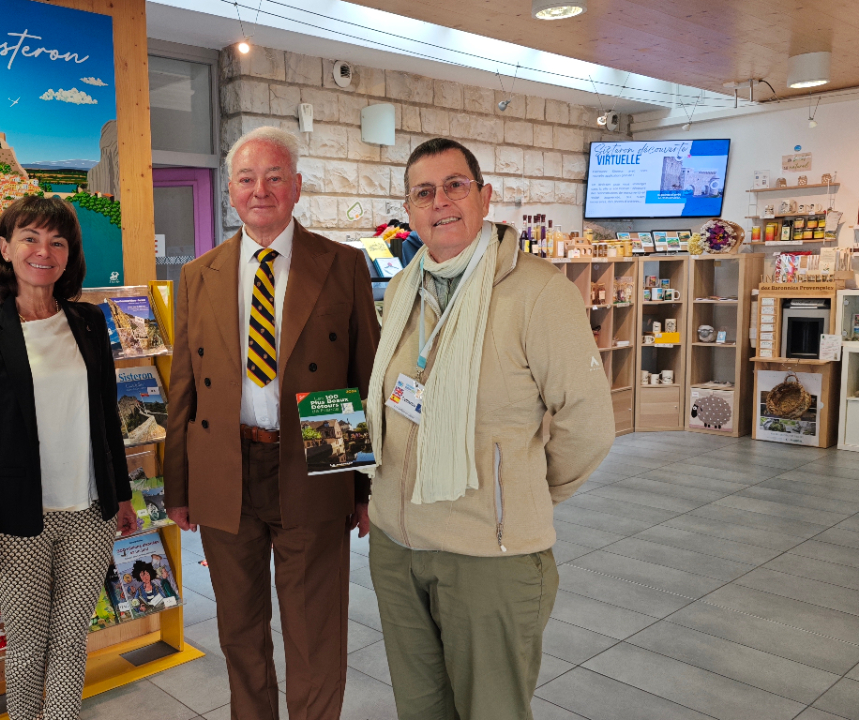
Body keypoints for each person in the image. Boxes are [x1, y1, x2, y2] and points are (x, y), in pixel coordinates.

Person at [364, 138, 614, 720]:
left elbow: (588, 422)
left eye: (455, 185)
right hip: (397, 547)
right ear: (409, 210)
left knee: (491, 710)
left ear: (484, 196)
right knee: (420, 710)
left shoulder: (538, 292)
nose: (440, 201)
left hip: (487, 556)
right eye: (424, 192)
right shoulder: (403, 289)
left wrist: (520, 491)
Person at [164, 125, 382, 720]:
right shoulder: (199, 274)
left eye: (274, 177)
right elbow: (184, 388)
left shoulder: (342, 264)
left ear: (297, 187)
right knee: (239, 630)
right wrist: (178, 487)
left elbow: (362, 381)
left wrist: (363, 487)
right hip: (224, 467)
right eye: (246, 178)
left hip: (315, 458)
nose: (260, 190)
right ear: (230, 190)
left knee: (315, 632)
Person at [0, 195, 138, 720]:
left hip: (89, 513)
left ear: (68, 255)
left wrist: (123, 496)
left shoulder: (89, 321)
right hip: (17, 519)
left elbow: (107, 417)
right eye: (30, 238)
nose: (44, 251)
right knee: (28, 646)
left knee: (72, 639)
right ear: (5, 248)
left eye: (57, 242)